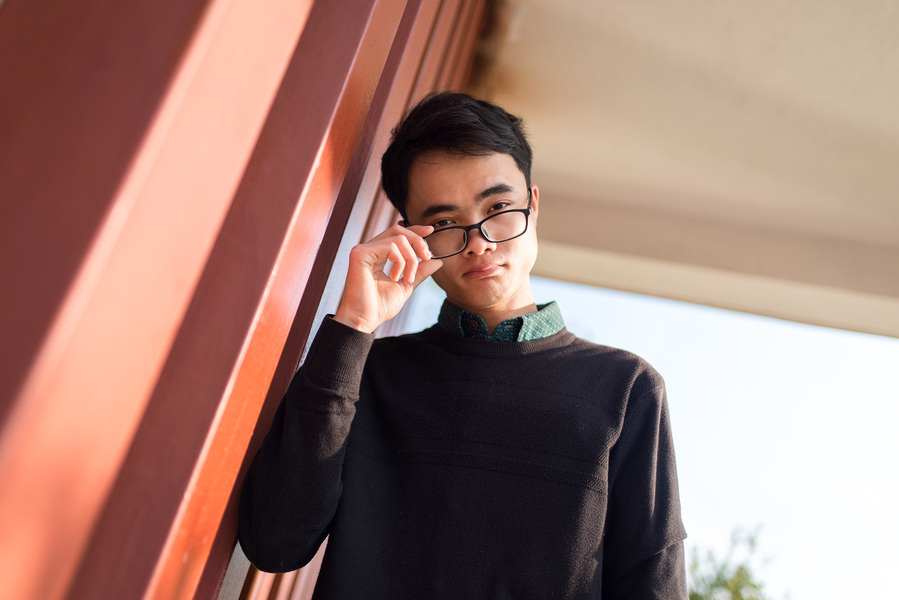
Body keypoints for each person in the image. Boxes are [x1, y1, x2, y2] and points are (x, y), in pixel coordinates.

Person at [238, 92, 687, 599]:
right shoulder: (361, 373)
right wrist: (355, 324)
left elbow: (653, 585)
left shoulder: (625, 388)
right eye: (445, 223)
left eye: (499, 208)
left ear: (533, 205)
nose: (479, 243)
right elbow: (274, 543)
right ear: (411, 237)